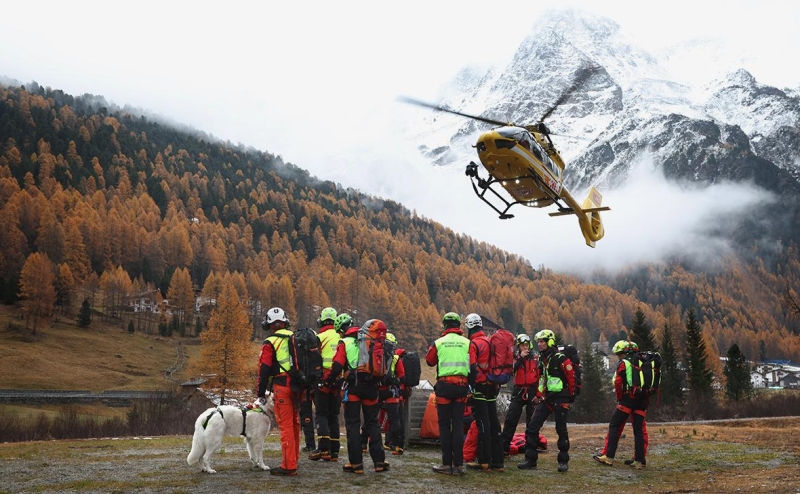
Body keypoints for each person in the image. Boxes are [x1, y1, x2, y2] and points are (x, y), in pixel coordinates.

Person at [327, 318, 390, 474]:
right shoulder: (371, 341)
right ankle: (379, 462)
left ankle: (356, 464)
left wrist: (328, 380)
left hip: (354, 387)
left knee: (353, 425)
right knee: (372, 423)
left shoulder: (345, 342)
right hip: (371, 387)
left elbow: (336, 366)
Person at [517, 329, 576, 473]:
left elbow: (570, 377)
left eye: (542, 341)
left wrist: (570, 396)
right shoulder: (544, 359)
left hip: (561, 398)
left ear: (550, 341)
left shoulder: (560, 358)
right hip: (548, 398)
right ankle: (530, 460)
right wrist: (538, 395)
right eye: (538, 341)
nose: (540, 344)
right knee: (532, 426)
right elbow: (543, 379)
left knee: (561, 430)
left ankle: (563, 461)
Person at [256, 307, 303, 476]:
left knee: (286, 426)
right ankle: (294, 459)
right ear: (285, 322)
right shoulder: (295, 337)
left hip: (282, 387)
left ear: (269, 324)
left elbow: (264, 369)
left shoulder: (270, 342)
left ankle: (289, 466)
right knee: (295, 424)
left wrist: (261, 392)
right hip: (299, 387)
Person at [425, 312, 473, 476]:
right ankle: (459, 465)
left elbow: (430, 361)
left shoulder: (438, 342)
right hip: (461, 386)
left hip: (444, 387)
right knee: (458, 424)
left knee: (445, 426)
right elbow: (472, 365)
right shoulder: (467, 342)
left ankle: (446, 464)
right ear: (458, 326)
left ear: (445, 325)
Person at [593, 340, 650, 469]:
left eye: (620, 354)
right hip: (642, 401)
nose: (619, 356)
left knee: (614, 426)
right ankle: (639, 461)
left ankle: (609, 456)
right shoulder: (645, 362)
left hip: (627, 400)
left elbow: (618, 382)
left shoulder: (624, 363)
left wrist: (620, 398)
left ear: (625, 353)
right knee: (639, 430)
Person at [464, 313, 503, 473]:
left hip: (480, 387)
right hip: (492, 387)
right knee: (494, 423)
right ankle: (498, 462)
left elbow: (471, 367)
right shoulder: (490, 341)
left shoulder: (474, 343)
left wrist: (470, 387)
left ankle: (484, 461)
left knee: (482, 424)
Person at [308, 307, 342, 462]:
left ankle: (323, 449)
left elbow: (312, 359)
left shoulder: (319, 337)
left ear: (321, 320)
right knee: (333, 415)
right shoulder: (341, 337)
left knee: (321, 413)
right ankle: (335, 451)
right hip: (337, 379)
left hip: (322, 379)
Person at [501, 333, 539, 457]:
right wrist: (520, 359)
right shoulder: (515, 359)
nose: (525, 348)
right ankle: (504, 448)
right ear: (519, 347)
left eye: (526, 345)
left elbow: (541, 376)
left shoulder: (536, 359)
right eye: (522, 346)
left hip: (532, 390)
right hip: (519, 390)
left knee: (531, 421)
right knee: (511, 419)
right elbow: (511, 371)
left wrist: (538, 394)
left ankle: (530, 448)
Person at [381, 332, 406, 454]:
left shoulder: (375, 354)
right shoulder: (396, 358)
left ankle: (364, 444)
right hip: (391, 391)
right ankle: (396, 445)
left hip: (377, 390)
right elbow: (402, 376)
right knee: (395, 419)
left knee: (371, 417)